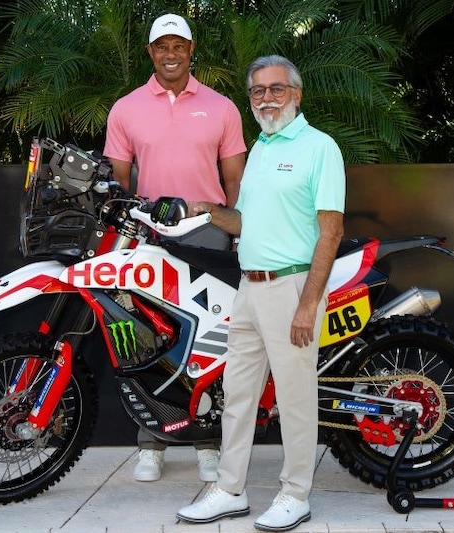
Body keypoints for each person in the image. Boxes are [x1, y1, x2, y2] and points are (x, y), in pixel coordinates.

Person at [175, 55, 345, 532]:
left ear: (297, 93)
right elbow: (243, 222)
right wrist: (208, 209)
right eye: (257, 91)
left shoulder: (320, 148)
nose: (266, 98)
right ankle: (230, 490)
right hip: (248, 288)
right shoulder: (263, 148)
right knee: (239, 396)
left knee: (294, 399)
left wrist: (309, 304)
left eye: (276, 89)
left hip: (292, 287)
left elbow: (330, 232)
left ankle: (296, 495)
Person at [103, 13, 247, 482]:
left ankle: (207, 440)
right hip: (148, 236)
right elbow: (118, 184)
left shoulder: (222, 107)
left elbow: (235, 181)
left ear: (191, 51)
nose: (170, 53)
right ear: (150, 52)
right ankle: (152, 443)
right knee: (147, 339)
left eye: (178, 45)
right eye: (161, 45)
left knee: (208, 341)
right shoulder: (126, 108)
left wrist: (240, 230)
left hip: (208, 234)